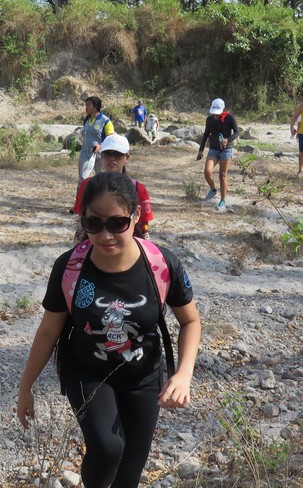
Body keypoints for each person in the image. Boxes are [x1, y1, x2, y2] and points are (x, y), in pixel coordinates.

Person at [17, 171, 201, 488]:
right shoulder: (70, 268)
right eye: (93, 224)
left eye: (117, 223)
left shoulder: (160, 264)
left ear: (136, 215)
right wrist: (25, 388)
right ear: (83, 220)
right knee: (107, 448)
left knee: (128, 475)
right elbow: (48, 332)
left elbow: (190, 321)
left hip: (144, 376)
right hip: (87, 371)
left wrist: (183, 374)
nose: (105, 235)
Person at [72, 134, 154, 241]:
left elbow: (143, 227)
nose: (112, 158)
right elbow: (82, 222)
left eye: (118, 154)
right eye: (107, 153)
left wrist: (145, 248)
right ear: (102, 155)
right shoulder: (87, 185)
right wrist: (79, 248)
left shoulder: (138, 189)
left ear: (127, 158)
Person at [196, 98, 240, 210]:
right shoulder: (209, 119)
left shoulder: (230, 118)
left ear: (223, 110)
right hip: (214, 149)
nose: (215, 115)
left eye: (218, 113)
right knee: (207, 171)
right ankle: (213, 189)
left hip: (226, 150)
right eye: (214, 112)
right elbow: (206, 134)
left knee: (222, 175)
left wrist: (228, 140)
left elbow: (237, 132)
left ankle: (222, 201)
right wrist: (201, 150)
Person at [79, 95, 115, 182]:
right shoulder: (87, 119)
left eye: (88, 105)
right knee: (82, 179)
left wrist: (100, 146)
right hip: (85, 154)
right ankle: (82, 191)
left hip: (100, 156)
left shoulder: (106, 121)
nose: (86, 108)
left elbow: (111, 139)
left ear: (95, 107)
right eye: (85, 105)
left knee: (102, 180)